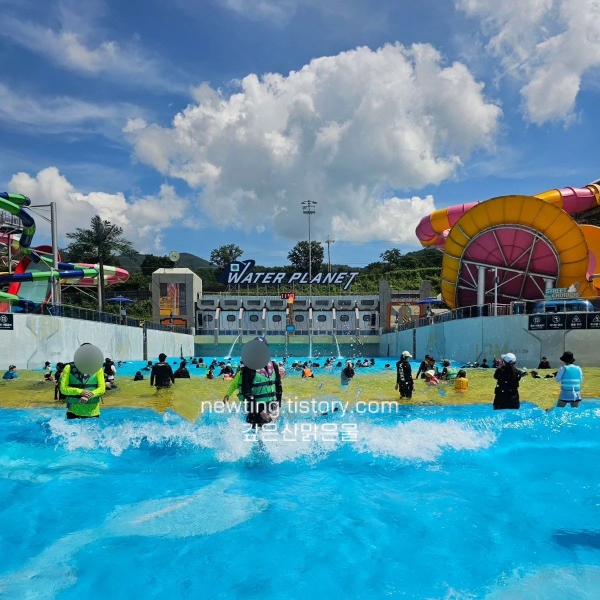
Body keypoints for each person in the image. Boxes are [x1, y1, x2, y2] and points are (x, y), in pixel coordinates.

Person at [239, 337, 283, 428]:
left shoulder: (274, 366)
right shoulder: (248, 369)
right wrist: (261, 411)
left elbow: (278, 387)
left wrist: (278, 407)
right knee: (256, 433)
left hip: (272, 407)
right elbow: (246, 393)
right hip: (255, 410)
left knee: (273, 432)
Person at [60, 346, 105, 419]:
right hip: (73, 411)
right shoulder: (68, 368)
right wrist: (80, 392)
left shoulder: (98, 369)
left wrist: (88, 395)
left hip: (92, 412)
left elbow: (102, 389)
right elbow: (63, 389)